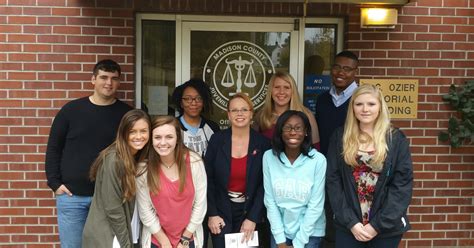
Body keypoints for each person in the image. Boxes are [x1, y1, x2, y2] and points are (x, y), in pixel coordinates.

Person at [44, 59, 132, 248]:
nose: (109, 83)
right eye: (103, 77)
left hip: (108, 198)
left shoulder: (126, 114)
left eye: (114, 79)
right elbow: (53, 148)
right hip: (72, 197)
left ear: (119, 82)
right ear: (93, 79)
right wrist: (55, 183)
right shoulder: (71, 110)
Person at [326, 84, 413, 248]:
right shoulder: (340, 136)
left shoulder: (395, 139)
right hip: (349, 226)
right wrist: (351, 222)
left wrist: (376, 226)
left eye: (371, 104)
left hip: (385, 227)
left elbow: (402, 186)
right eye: (359, 104)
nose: (365, 109)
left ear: (380, 107)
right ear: (352, 108)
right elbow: (333, 181)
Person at [205, 93, 271, 248]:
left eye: (244, 109)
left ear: (251, 113)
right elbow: (207, 179)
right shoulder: (217, 140)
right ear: (228, 114)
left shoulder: (263, 143)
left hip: (250, 212)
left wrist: (253, 217)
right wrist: (212, 213)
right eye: (234, 110)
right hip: (221, 212)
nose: (239, 113)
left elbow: (265, 184)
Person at [82, 109, 151, 247]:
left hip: (127, 233)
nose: (139, 136)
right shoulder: (114, 159)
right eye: (132, 131)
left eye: (143, 131)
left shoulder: (137, 157)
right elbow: (113, 209)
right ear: (123, 133)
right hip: (108, 237)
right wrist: (126, 244)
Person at [136, 115, 207, 248]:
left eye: (169, 137)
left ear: (177, 139)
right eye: (157, 137)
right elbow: (145, 211)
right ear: (151, 140)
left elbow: (200, 205)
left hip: (189, 240)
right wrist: (164, 242)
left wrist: (185, 239)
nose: (163, 143)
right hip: (156, 240)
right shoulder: (144, 170)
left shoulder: (194, 162)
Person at [314, 50, 358, 248]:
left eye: (347, 69)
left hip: (351, 168)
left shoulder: (360, 100)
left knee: (349, 215)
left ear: (355, 72)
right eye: (337, 67)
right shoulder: (323, 99)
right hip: (325, 167)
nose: (341, 72)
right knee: (326, 213)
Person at [263, 110, 326, 248]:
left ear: (306, 132)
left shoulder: (318, 160)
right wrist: (280, 239)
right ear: (280, 131)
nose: (293, 132)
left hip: (310, 233)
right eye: (287, 127)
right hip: (280, 231)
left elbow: (316, 205)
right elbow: (270, 201)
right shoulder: (269, 157)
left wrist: (298, 243)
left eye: (298, 128)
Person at [254, 71, 320, 148]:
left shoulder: (306, 115)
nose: (281, 92)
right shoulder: (262, 115)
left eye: (286, 87)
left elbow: (316, 149)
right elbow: (254, 147)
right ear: (270, 91)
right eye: (277, 87)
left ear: (293, 91)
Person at [171, 79, 220, 156]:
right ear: (181, 103)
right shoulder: (172, 127)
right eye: (188, 99)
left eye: (199, 98)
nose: (193, 103)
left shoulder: (212, 128)